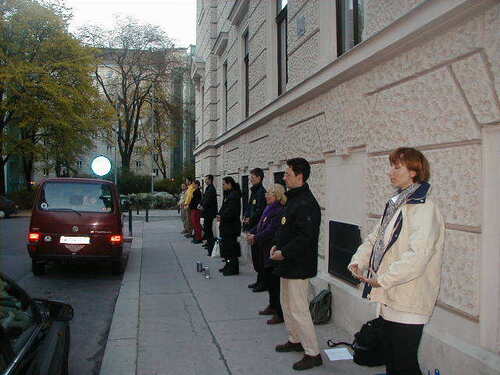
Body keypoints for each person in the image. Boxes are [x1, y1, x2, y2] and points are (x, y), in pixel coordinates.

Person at [348, 147, 444, 375]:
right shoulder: (396, 203)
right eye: (391, 166)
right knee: (392, 362)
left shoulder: (423, 207)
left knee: (404, 364)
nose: (390, 172)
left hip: (408, 301)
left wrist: (383, 279)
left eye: (396, 166)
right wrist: (357, 261)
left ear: (414, 171)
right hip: (390, 299)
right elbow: (376, 238)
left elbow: (418, 256)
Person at [271, 158, 322, 371]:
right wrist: (276, 245)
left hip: (298, 265)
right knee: (287, 304)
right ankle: (295, 339)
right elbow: (286, 229)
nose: (284, 177)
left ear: (299, 177)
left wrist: (284, 252)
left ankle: (313, 353)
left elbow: (305, 237)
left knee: (299, 309)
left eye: (288, 174)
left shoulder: (306, 203)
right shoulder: (293, 199)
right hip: (287, 264)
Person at [247, 184, 286, 325]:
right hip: (263, 249)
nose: (266, 195)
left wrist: (256, 237)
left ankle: (279, 312)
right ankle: (272, 305)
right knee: (269, 281)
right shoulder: (268, 207)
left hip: (271, 250)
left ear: (276, 195)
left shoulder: (279, 210)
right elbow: (260, 225)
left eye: (269, 193)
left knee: (275, 284)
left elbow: (271, 230)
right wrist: (252, 232)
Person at [243, 168, 267, 292]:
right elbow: (250, 207)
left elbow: (259, 211)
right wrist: (246, 217)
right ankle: (259, 280)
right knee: (255, 257)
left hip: (258, 229)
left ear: (259, 178)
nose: (250, 179)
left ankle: (263, 283)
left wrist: (250, 219)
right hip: (252, 227)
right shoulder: (254, 192)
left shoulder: (261, 192)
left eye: (252, 177)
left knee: (259, 257)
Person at [218, 176, 242, 276]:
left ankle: (233, 268)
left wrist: (222, 216)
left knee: (231, 249)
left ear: (229, 184)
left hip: (231, 227)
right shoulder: (228, 194)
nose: (223, 186)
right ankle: (228, 265)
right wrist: (219, 214)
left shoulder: (234, 195)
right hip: (226, 226)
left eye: (224, 184)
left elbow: (231, 212)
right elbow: (223, 208)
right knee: (226, 248)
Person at [201, 175, 218, 255]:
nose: (205, 181)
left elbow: (208, 200)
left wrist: (202, 206)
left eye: (206, 179)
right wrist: (201, 204)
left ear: (210, 180)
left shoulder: (211, 189)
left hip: (209, 213)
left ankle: (211, 248)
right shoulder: (208, 188)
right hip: (207, 212)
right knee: (207, 229)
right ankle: (209, 244)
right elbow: (204, 198)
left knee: (208, 230)